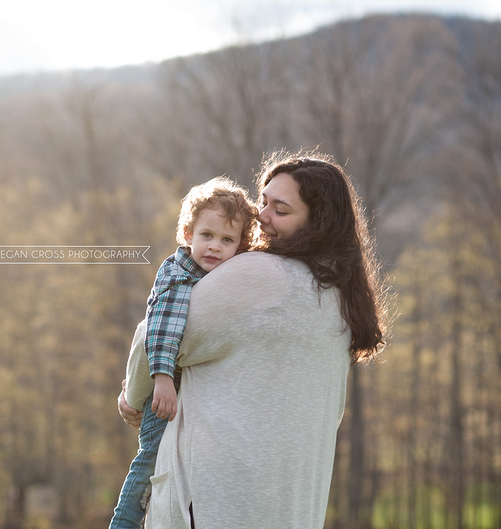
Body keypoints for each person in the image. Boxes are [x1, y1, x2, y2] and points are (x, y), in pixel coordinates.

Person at [117, 150, 388, 528]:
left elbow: (155, 332)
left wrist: (131, 398)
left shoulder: (259, 275)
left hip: (214, 502)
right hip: (290, 510)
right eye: (263, 201)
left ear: (317, 222)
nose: (261, 215)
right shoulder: (343, 301)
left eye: (281, 209)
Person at [109, 176, 258, 529]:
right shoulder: (179, 274)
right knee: (150, 464)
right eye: (207, 236)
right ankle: (123, 524)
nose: (214, 247)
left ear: (239, 246)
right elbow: (161, 327)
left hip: (190, 396)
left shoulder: (222, 277)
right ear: (189, 234)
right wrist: (161, 379)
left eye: (227, 240)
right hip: (167, 390)